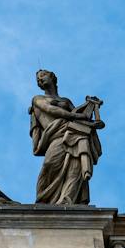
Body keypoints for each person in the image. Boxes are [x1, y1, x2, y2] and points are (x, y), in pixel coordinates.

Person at [28, 69, 103, 205]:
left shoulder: (65, 101)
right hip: (55, 135)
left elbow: (80, 118)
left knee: (75, 167)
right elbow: (52, 110)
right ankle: (45, 200)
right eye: (38, 79)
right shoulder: (38, 99)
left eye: (42, 76)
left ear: (53, 78)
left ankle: (67, 200)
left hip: (73, 133)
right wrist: (78, 116)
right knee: (50, 165)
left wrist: (90, 109)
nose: (40, 80)